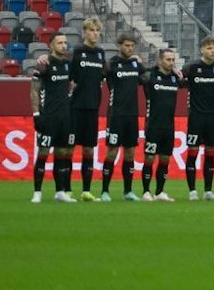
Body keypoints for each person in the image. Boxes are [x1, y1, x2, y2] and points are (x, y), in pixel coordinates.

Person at [181, 37, 214, 200]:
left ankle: (208, 191)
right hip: (196, 117)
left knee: (210, 153)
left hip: (213, 117)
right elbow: (181, 81)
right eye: (209, 48)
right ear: (202, 49)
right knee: (193, 153)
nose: (213, 51)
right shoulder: (192, 67)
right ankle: (192, 191)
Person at [98, 34, 146, 200]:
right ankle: (105, 191)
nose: (130, 48)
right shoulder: (112, 65)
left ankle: (128, 191)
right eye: (127, 45)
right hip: (116, 114)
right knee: (112, 152)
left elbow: (147, 78)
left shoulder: (135, 64)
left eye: (132, 46)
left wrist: (142, 64)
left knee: (130, 153)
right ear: (119, 46)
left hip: (132, 115)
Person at [30, 36, 77, 203]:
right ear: (51, 45)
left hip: (65, 117)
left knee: (62, 154)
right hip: (49, 116)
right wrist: (36, 114)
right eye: (60, 43)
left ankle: (60, 191)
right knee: (43, 153)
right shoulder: (44, 64)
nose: (63, 45)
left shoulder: (68, 65)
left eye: (65, 43)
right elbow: (34, 90)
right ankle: (37, 192)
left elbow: (73, 84)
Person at [66, 19, 107, 199]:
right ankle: (65, 189)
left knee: (89, 150)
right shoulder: (77, 52)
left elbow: (106, 74)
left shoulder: (100, 54)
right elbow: (68, 76)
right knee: (68, 149)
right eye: (92, 30)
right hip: (75, 108)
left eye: (98, 30)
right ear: (84, 32)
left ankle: (86, 190)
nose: (95, 33)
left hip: (92, 108)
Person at [142, 48, 182, 200]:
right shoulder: (150, 76)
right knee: (150, 158)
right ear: (160, 61)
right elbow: (141, 75)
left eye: (173, 60)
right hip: (153, 125)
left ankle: (159, 192)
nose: (171, 63)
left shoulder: (175, 78)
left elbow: (185, 78)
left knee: (165, 159)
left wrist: (178, 72)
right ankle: (146, 191)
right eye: (168, 60)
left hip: (169, 126)